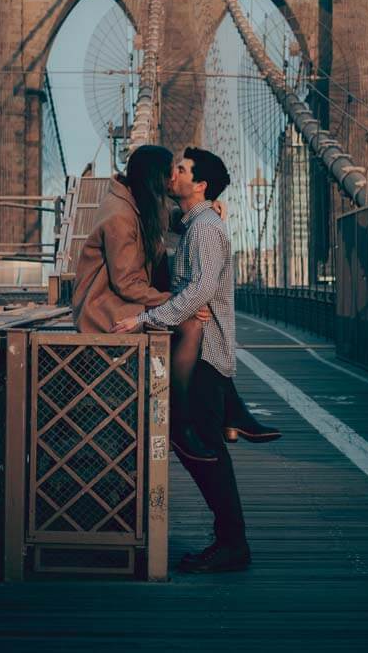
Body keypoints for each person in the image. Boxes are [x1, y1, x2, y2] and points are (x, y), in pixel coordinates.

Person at [112, 147, 254, 574]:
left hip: (205, 356)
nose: (172, 175)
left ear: (200, 184)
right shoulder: (196, 223)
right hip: (199, 353)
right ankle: (230, 540)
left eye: (181, 170)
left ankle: (233, 544)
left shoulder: (206, 229)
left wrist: (144, 318)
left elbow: (200, 291)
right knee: (198, 445)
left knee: (204, 449)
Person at [72, 144, 216, 462]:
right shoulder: (120, 217)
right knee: (191, 325)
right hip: (104, 308)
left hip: (120, 301)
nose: (172, 181)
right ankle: (181, 422)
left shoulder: (135, 202)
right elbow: (126, 283)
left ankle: (219, 412)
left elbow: (165, 219)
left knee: (201, 318)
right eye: (169, 175)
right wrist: (176, 303)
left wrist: (201, 210)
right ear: (155, 179)